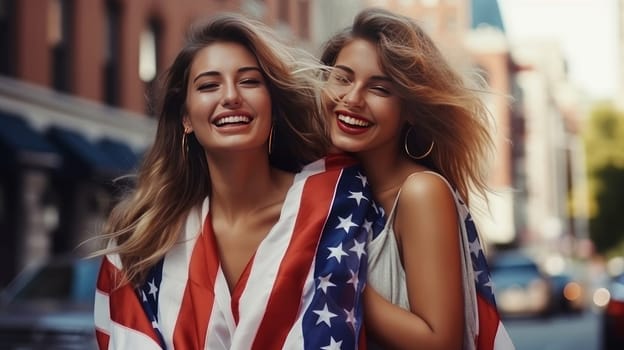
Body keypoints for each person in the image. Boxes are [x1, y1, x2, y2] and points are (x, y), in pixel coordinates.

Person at [92, 13, 383, 350]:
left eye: (248, 81)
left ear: (272, 106)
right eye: (208, 85)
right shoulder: (141, 246)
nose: (230, 96)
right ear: (186, 117)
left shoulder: (339, 201)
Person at [320, 7, 515, 350]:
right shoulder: (333, 189)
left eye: (379, 89)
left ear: (410, 109)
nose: (352, 99)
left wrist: (330, 275)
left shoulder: (421, 191)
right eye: (343, 78)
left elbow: (439, 341)